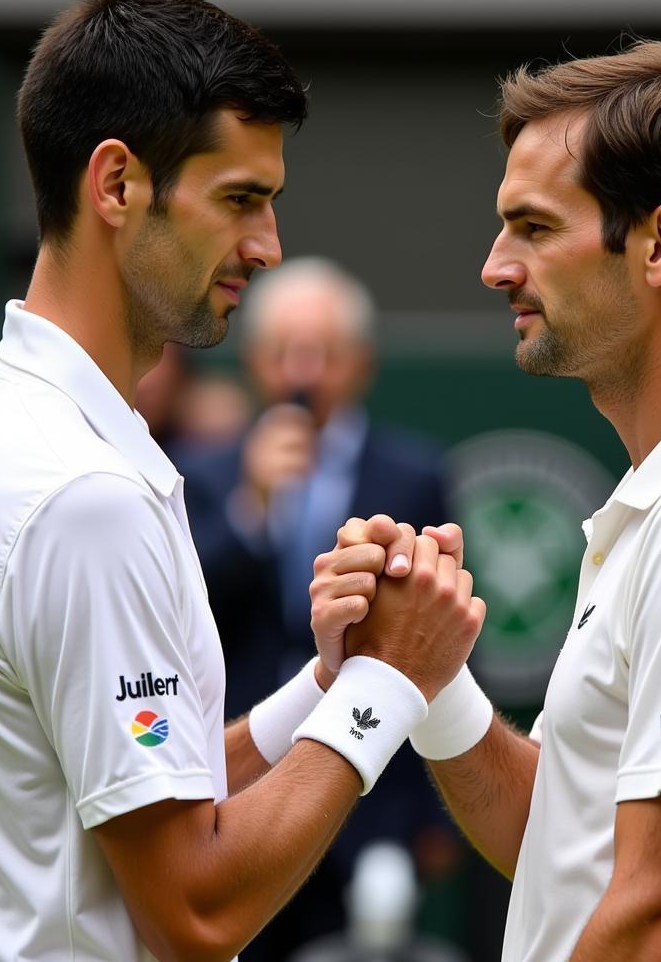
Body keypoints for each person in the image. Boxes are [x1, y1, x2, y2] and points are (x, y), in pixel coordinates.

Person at [0, 0, 484, 961]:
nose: (268, 246)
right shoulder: (84, 495)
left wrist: (327, 684)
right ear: (117, 184)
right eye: (240, 200)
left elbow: (144, 784)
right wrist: (388, 687)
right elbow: (193, 908)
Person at [309, 36, 661, 960]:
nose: (496, 267)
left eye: (533, 228)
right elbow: (573, 848)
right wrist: (428, 679)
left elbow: (659, 915)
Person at [179, 258, 457, 958]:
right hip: (243, 780)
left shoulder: (413, 473)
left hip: (370, 791)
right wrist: (253, 509)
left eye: (323, 354)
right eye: (283, 353)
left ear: (360, 364)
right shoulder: (204, 472)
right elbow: (186, 610)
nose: (302, 374)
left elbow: (440, 640)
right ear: (252, 361)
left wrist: (434, 810)